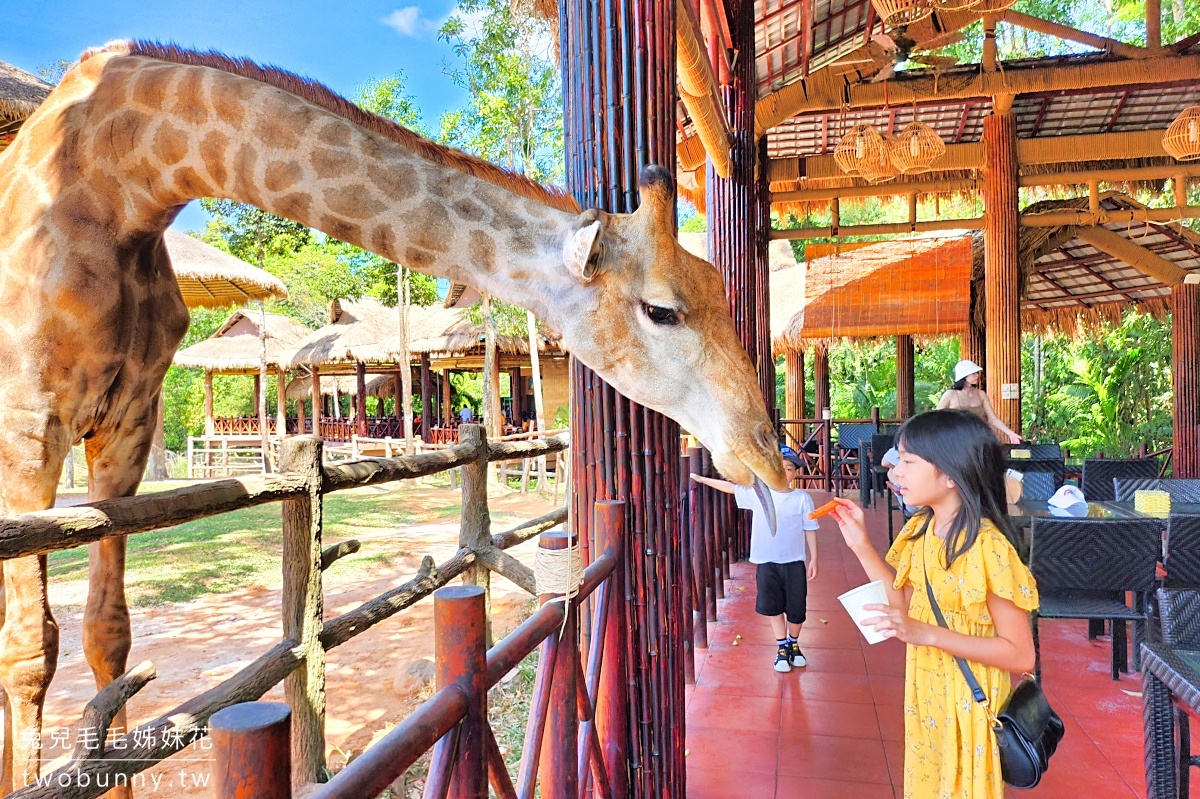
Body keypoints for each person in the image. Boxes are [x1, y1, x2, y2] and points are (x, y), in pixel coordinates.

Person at [826, 410, 1037, 799]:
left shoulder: (988, 548)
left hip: (970, 701)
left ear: (951, 474)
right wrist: (860, 546)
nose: (895, 472)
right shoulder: (920, 529)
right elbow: (903, 606)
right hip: (927, 690)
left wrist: (927, 633)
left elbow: (1021, 655)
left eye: (908, 462)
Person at [690, 445, 819, 672]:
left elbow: (810, 528)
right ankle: (782, 648)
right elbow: (731, 488)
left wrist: (814, 559)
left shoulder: (802, 498)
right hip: (766, 561)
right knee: (773, 606)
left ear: (795, 473)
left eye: (789, 469)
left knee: (797, 608)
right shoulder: (759, 495)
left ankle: (794, 643)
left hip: (794, 562)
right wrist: (701, 479)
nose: (784, 473)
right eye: (779, 468)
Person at [937, 359, 1022, 445]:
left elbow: (993, 419)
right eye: (973, 373)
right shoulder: (950, 394)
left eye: (977, 373)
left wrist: (1010, 433)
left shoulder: (981, 394)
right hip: (957, 440)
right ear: (964, 376)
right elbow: (935, 418)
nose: (977, 375)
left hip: (980, 438)